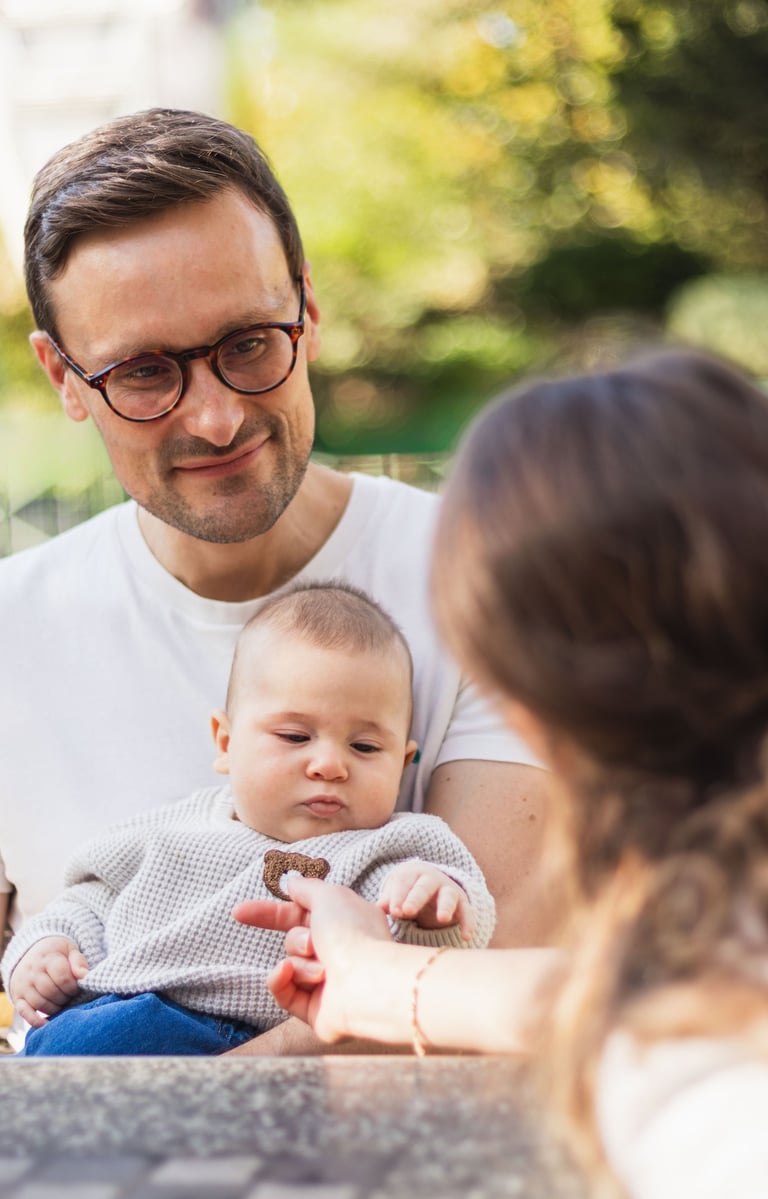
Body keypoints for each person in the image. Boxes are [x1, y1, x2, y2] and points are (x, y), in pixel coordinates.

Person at [0, 107, 554, 1050]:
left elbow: (481, 985)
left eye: (250, 343)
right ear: (63, 376)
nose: (216, 418)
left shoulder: (496, 576)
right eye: (143, 372)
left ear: (308, 309)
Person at [238, 349, 768, 1197]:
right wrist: (381, 980)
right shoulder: (710, 929)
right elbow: (629, 995)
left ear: (533, 694)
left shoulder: (702, 1099)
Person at [1, 583, 495, 1055]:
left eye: (365, 747)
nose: (329, 764)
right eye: (294, 737)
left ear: (404, 761)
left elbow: (455, 936)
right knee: (67, 1052)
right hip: (107, 1008)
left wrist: (435, 904)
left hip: (254, 1035)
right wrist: (49, 947)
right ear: (226, 742)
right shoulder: (178, 827)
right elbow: (90, 900)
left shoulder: (398, 846)